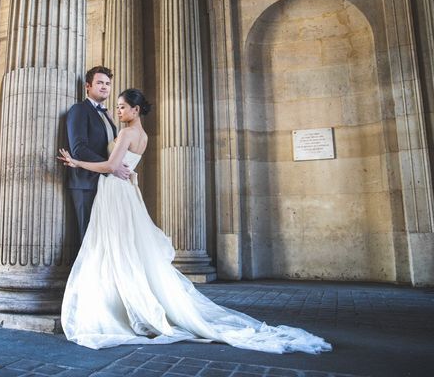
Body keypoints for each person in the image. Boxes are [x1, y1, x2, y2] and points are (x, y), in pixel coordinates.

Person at [57, 89, 332, 354]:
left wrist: (76, 163)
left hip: (114, 193)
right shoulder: (143, 135)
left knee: (113, 247)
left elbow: (109, 167)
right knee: (122, 249)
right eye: (116, 106)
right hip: (125, 192)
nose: (118, 111)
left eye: (122, 106)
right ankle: (121, 301)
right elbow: (131, 170)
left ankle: (120, 307)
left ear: (135, 109)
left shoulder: (128, 132)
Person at [66, 66, 131, 242]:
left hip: (106, 184)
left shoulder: (108, 115)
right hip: (86, 184)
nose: (104, 87)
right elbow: (78, 149)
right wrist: (112, 167)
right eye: (99, 83)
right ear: (88, 86)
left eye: (108, 83)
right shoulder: (79, 110)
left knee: (106, 240)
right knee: (89, 240)